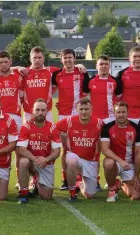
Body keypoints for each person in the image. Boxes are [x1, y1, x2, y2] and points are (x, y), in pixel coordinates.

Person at [51, 48, 91, 191]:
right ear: (61, 60)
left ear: (75, 59)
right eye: (65, 58)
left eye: (70, 57)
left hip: (79, 116)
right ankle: (65, 178)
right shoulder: (56, 75)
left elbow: (86, 94)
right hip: (63, 115)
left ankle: (82, 177)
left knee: (81, 146)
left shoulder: (81, 73)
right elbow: (50, 91)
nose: (68, 60)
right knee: (65, 149)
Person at [0, 50, 24, 189]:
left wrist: (18, 68)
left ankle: (20, 181)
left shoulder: (18, 77)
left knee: (18, 150)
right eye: (0, 62)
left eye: (5, 62)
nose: (3, 64)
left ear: (10, 61)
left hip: (15, 116)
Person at [56, 97, 103, 202]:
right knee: (72, 162)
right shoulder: (69, 121)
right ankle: (72, 193)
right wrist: (62, 137)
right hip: (74, 156)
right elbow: (53, 128)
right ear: (77, 110)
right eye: (81, 109)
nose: (83, 112)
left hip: (90, 161)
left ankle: (79, 184)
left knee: (90, 195)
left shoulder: (99, 123)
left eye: (86, 109)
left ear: (91, 110)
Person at [16, 99, 61, 203]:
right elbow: (21, 149)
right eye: (37, 110)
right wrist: (35, 159)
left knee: (46, 197)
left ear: (47, 111)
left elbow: (57, 152)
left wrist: (46, 159)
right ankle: (23, 194)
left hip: (46, 163)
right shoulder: (26, 127)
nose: (40, 113)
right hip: (32, 162)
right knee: (23, 161)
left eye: (43, 110)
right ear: (32, 111)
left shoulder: (52, 127)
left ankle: (36, 182)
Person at [101, 101, 140, 202]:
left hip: (129, 165)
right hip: (116, 163)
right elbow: (105, 150)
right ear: (114, 113)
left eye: (123, 112)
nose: (121, 115)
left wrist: (136, 175)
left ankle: (119, 184)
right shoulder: (107, 128)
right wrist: (120, 161)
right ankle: (112, 189)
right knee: (108, 163)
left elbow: (138, 153)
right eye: (118, 112)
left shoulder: (136, 128)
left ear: (128, 113)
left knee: (135, 196)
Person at [21, 47, 60, 123]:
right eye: (34, 57)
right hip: (28, 113)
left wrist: (78, 66)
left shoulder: (52, 71)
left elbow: (67, 69)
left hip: (47, 112)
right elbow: (4, 69)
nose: (37, 60)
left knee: (47, 134)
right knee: (27, 135)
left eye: (39, 57)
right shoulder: (23, 72)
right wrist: (18, 67)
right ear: (30, 58)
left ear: (43, 58)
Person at [83, 55, 122, 124]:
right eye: (101, 64)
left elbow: (120, 98)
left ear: (109, 66)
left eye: (106, 64)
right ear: (96, 66)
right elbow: (83, 96)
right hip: (94, 117)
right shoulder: (90, 81)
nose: (104, 66)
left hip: (111, 118)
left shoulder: (116, 81)